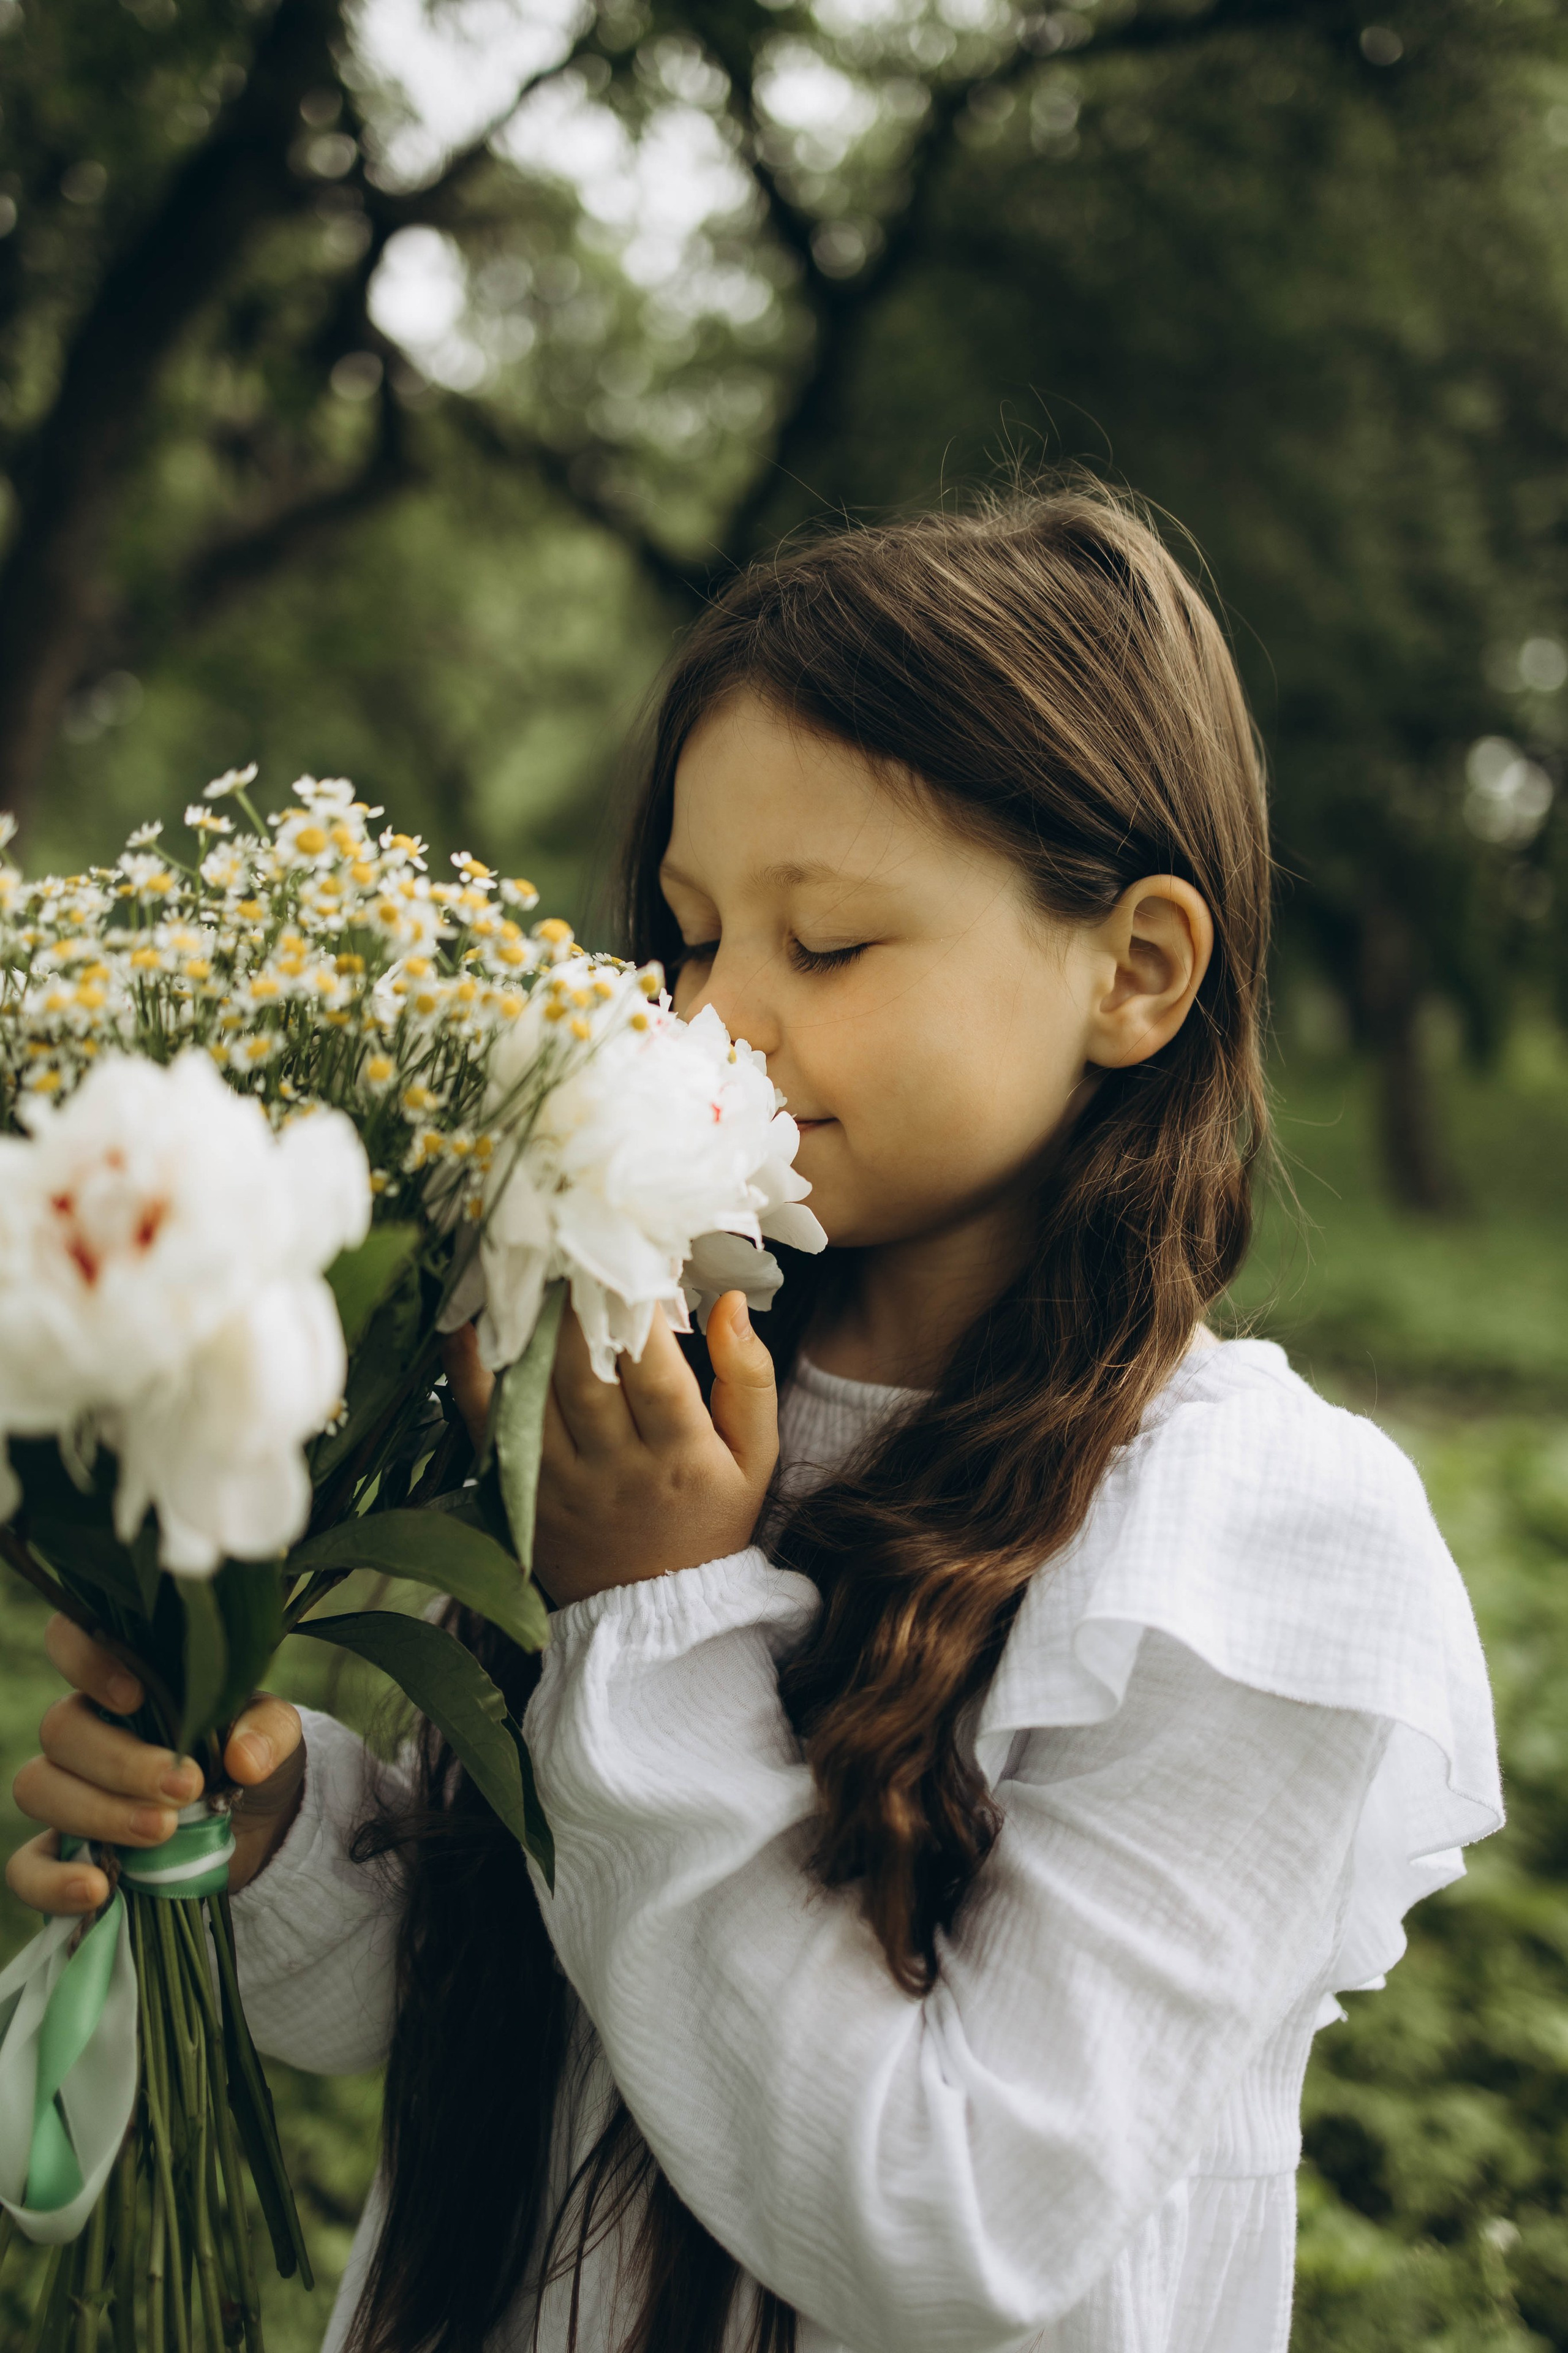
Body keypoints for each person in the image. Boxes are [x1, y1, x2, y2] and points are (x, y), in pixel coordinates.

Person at [9, 488, 1501, 2353]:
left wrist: (655, 1610)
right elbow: (534, 1982)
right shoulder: (658, 1371)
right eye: (696, 936)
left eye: (833, 946)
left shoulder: (1256, 1538)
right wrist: (269, 1816)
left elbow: (958, 2227)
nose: (720, 1021)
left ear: (1136, 970)